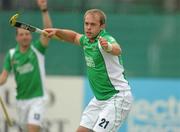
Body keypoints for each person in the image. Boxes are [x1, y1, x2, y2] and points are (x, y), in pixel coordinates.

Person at [45, 9, 133, 132]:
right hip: (99, 99)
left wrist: (107, 46)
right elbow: (74, 36)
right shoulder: (86, 40)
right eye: (86, 24)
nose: (88, 28)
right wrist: (57, 31)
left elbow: (117, 49)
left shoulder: (105, 39)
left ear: (102, 26)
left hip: (117, 98)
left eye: (93, 24)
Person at [0, 0, 52, 131]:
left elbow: (47, 32)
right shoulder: (11, 55)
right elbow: (4, 77)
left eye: (27, 34)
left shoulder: (37, 50)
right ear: (16, 38)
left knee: (32, 129)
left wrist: (44, 10)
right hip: (21, 101)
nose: (25, 37)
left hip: (38, 99)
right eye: (22, 34)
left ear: (31, 36)